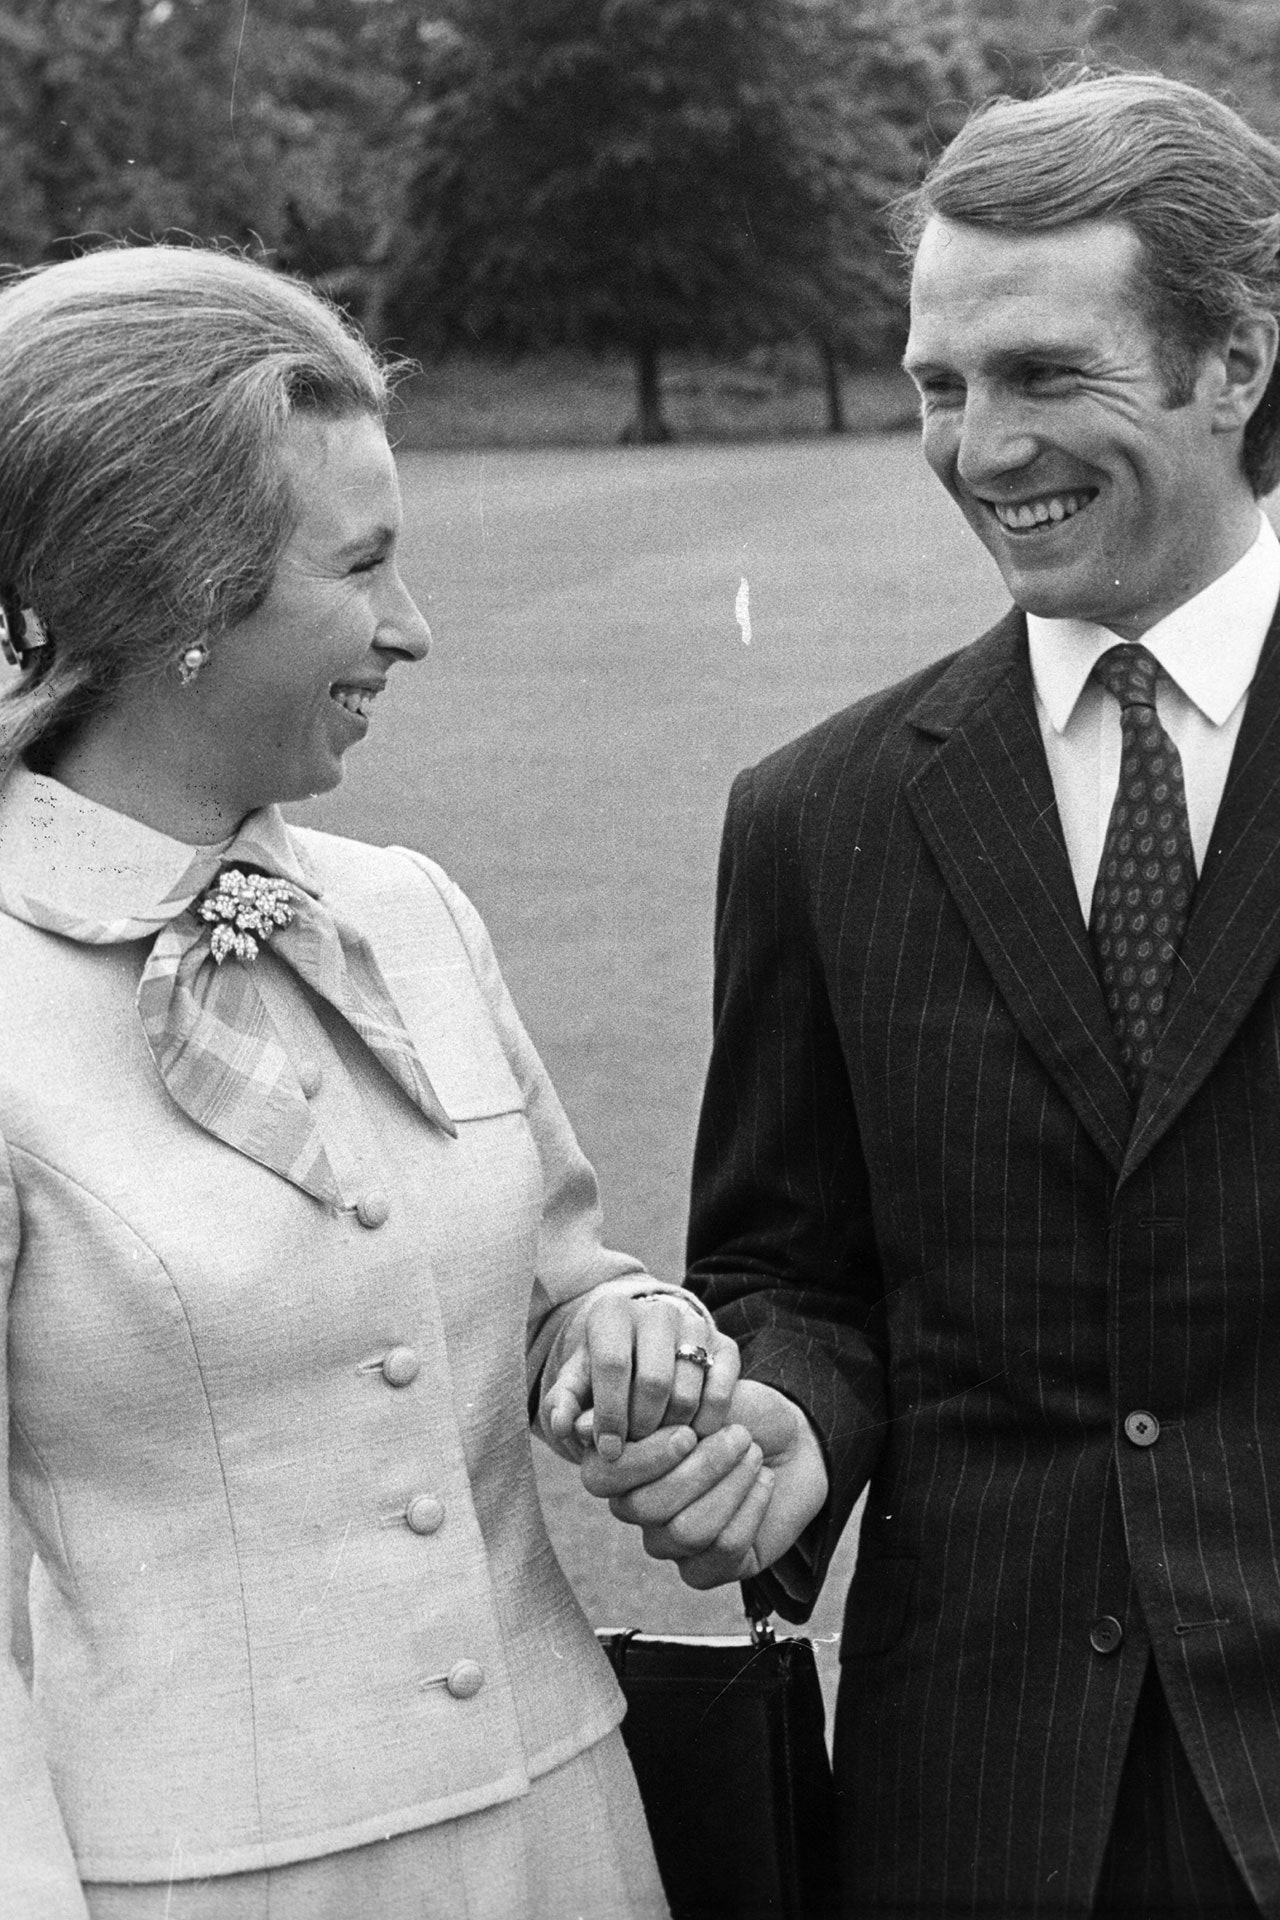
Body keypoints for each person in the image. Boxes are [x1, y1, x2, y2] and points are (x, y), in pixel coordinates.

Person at [581, 71, 1280, 1917]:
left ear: (1239, 364)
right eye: (940, 387)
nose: (982, 450)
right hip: (981, 1796)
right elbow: (791, 1271)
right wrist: (783, 1421)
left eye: (1047, 375)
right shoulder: (820, 816)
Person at [0, 242, 742, 1920]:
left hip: (569, 1828)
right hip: (192, 1884)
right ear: (174, 592)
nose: (413, 630)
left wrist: (627, 1341)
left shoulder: (411, 913)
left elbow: (563, 1285)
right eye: (363, 568)